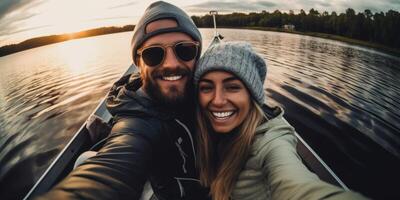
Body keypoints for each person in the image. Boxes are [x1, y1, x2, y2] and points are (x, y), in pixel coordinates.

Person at [37, 1, 209, 199]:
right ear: (139, 64)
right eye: (153, 54)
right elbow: (113, 166)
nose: (171, 63)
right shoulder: (137, 121)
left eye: (184, 50)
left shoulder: (212, 92)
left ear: (197, 55)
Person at [193, 41, 369, 200]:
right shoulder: (206, 127)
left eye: (232, 87)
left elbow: (296, 186)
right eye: (206, 87)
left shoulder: (272, 143)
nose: (217, 100)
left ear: (251, 96)